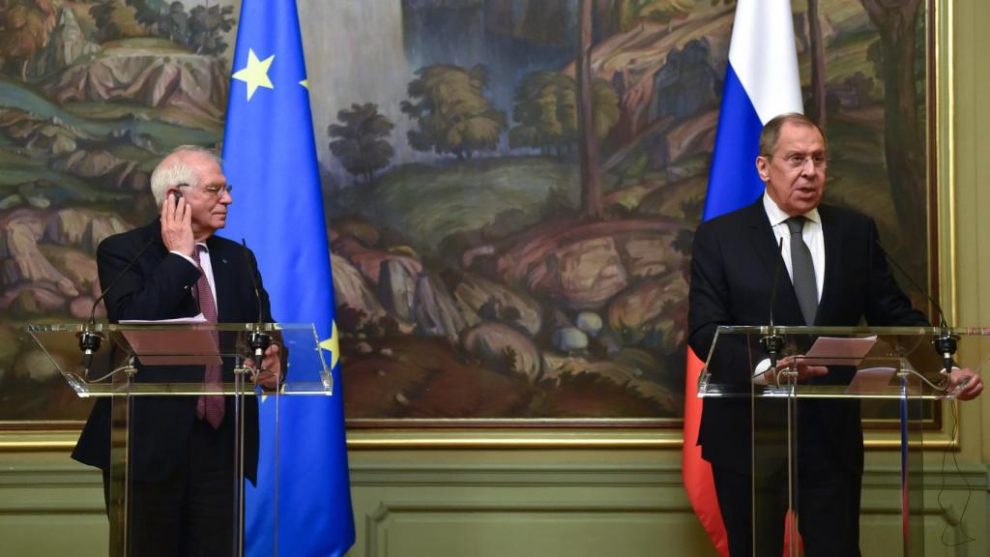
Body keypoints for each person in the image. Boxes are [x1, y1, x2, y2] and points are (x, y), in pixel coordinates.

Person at [687, 113, 983, 556]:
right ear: (764, 167)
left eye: (819, 159)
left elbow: (894, 317)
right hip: (748, 439)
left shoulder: (855, 233)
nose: (810, 171)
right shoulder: (720, 237)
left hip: (830, 440)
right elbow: (705, 328)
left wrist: (943, 369)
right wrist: (768, 369)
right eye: (796, 159)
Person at [72, 145, 282, 556]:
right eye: (215, 190)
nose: (229, 199)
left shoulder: (238, 259)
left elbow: (264, 328)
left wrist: (275, 356)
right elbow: (134, 322)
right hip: (145, 446)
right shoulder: (123, 251)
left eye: (227, 189)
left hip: (222, 445)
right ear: (175, 198)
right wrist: (182, 257)